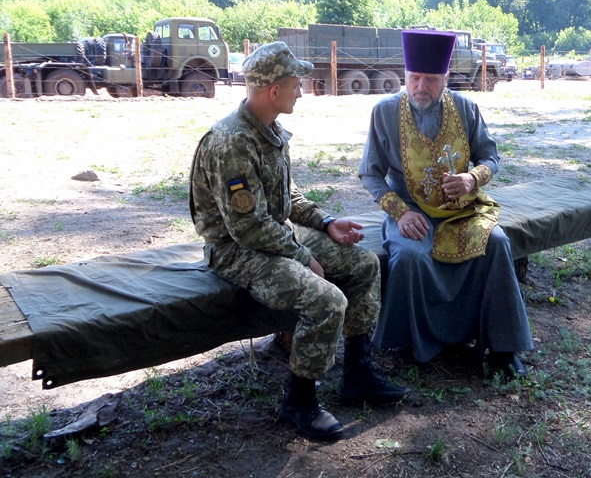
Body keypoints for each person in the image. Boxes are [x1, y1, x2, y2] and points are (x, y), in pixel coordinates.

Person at [189, 42, 410, 441]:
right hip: (235, 250)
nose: (302, 91)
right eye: (296, 84)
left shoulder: (268, 130)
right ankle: (300, 400)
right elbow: (247, 229)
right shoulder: (232, 142)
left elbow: (286, 198)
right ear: (274, 90)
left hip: (271, 235)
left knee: (363, 264)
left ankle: (357, 373)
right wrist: (302, 255)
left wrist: (326, 223)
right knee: (326, 299)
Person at [358, 29, 533, 378]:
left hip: (461, 210)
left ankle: (502, 347)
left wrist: (472, 179)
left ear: (446, 78)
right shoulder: (385, 112)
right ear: (406, 77)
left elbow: (490, 157)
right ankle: (413, 344)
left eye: (431, 79)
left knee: (496, 243)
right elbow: (370, 175)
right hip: (410, 211)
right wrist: (401, 212)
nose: (421, 86)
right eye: (414, 78)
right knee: (410, 256)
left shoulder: (466, 108)